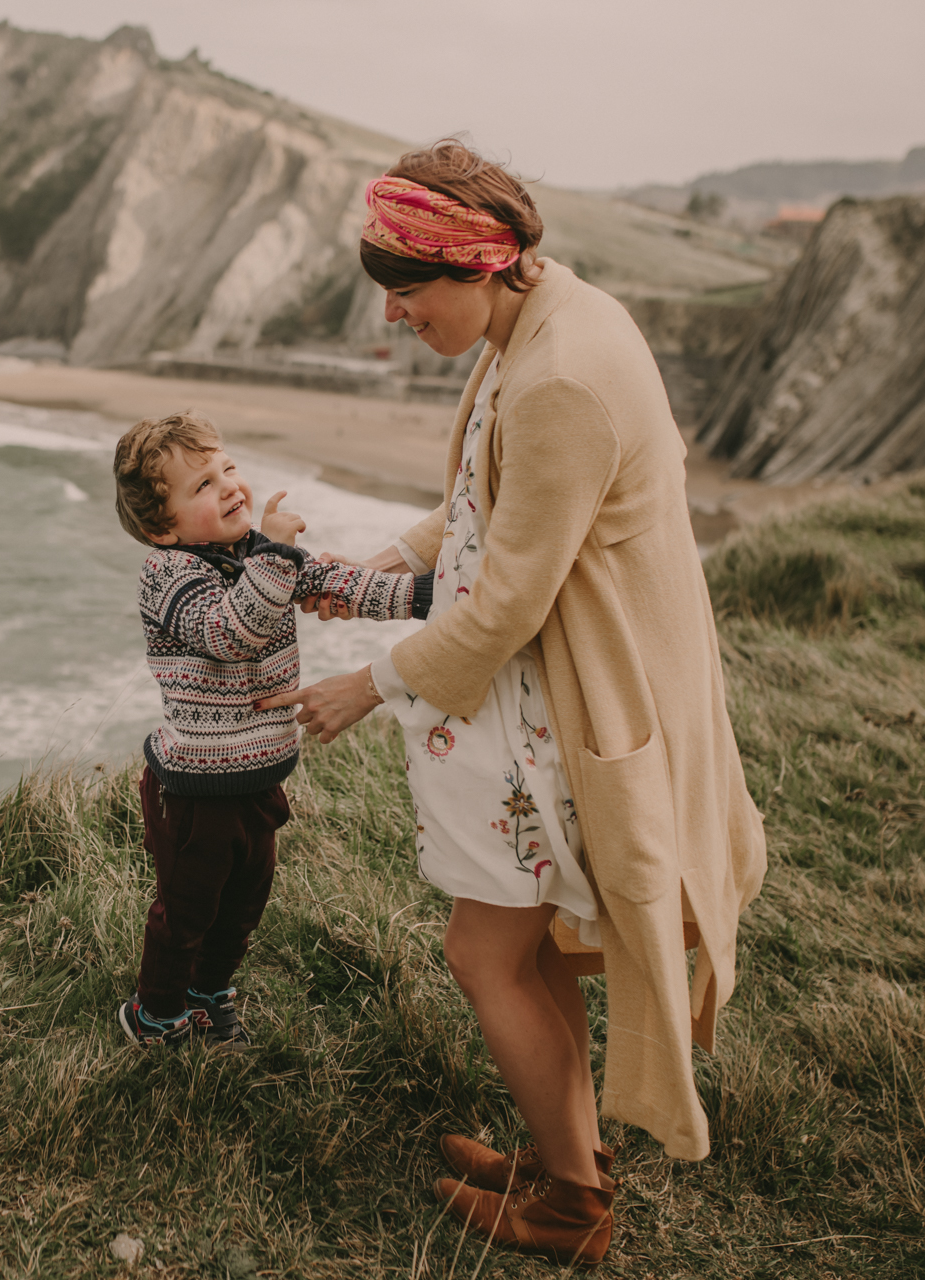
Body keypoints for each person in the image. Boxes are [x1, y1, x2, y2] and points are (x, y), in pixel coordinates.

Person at [258, 142, 767, 1264]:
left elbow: (510, 604)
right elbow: (494, 500)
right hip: (556, 680)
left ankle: (570, 1206)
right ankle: (563, 1158)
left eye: (407, 292)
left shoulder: (560, 377)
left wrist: (366, 686)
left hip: (576, 695)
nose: (394, 317)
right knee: (520, 950)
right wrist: (381, 564)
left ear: (475, 266)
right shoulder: (541, 314)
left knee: (485, 955)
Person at [111, 412, 431, 1047]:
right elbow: (232, 633)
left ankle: (208, 996)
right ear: (161, 527)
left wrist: (429, 597)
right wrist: (277, 555)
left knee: (241, 907)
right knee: (186, 912)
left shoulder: (263, 558)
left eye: (227, 468)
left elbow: (344, 583)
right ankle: (157, 1014)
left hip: (260, 779)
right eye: (201, 485)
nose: (229, 486)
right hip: (195, 792)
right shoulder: (167, 577)